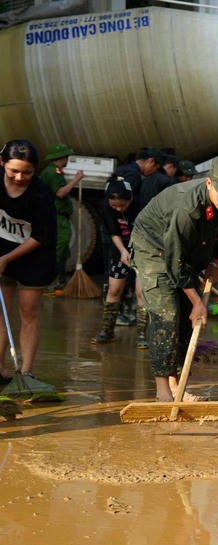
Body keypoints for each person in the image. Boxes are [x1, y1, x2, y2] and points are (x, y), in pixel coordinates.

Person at [129, 157, 218, 402]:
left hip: (186, 250)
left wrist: (215, 263)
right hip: (154, 247)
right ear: (208, 183)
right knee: (167, 315)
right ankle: (163, 392)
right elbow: (174, 258)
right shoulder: (188, 206)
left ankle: (177, 386)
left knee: (184, 320)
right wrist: (197, 301)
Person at [0, 140, 56, 386]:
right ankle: (0, 369)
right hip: (1, 253)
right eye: (14, 171)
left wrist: (6, 258)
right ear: (2, 163)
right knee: (1, 313)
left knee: (28, 313)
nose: (20, 177)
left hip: (34, 257)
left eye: (27, 172)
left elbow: (41, 237)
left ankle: (26, 372)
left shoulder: (41, 194)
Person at [90, 178, 144, 344]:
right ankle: (107, 331)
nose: (119, 209)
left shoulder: (143, 206)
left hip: (144, 251)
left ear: (131, 198)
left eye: (123, 205)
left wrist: (135, 253)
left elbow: (148, 234)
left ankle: (142, 335)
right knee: (114, 290)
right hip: (120, 250)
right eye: (115, 206)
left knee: (141, 293)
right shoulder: (107, 207)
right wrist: (123, 251)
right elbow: (114, 233)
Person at [38, 143, 83, 292]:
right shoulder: (53, 173)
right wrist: (76, 179)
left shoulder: (55, 171)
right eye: (66, 156)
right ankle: (48, 282)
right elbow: (60, 193)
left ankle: (61, 281)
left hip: (60, 217)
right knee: (59, 248)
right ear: (61, 158)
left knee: (63, 250)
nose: (68, 159)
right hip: (57, 217)